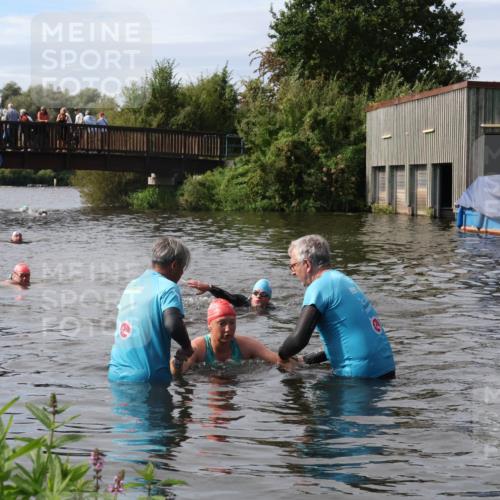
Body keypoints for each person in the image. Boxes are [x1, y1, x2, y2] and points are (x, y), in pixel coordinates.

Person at [278, 234, 395, 379]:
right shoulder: (344, 281)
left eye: (293, 265)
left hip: (358, 378)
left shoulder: (318, 287)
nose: (292, 272)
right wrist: (305, 360)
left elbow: (298, 340)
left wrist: (281, 357)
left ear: (307, 265)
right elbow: (345, 339)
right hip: (386, 370)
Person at [108, 236, 194, 384]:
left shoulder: (132, 285)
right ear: (174, 265)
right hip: (148, 378)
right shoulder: (168, 287)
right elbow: (172, 324)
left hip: (116, 374)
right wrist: (187, 347)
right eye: (182, 268)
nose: (181, 275)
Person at [170, 298, 282, 375]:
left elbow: (277, 359)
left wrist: (296, 360)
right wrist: (178, 363)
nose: (228, 329)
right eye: (222, 323)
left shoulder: (246, 345)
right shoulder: (199, 347)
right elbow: (178, 371)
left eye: (232, 323)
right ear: (210, 325)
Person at [186, 278, 273, 309]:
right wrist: (210, 287)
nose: (258, 296)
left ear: (268, 298)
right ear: (251, 295)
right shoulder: (242, 301)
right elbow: (227, 296)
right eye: (256, 293)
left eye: (263, 294)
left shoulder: (271, 308)